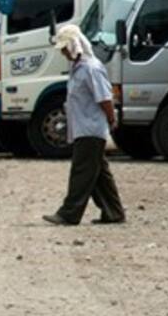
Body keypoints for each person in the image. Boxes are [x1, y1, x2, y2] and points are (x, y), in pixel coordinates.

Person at [43, 24, 126, 226]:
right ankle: (113, 212)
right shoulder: (78, 68)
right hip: (83, 127)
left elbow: (104, 98)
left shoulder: (91, 68)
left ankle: (69, 213)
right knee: (98, 174)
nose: (63, 53)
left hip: (91, 128)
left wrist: (111, 118)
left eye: (65, 48)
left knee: (82, 172)